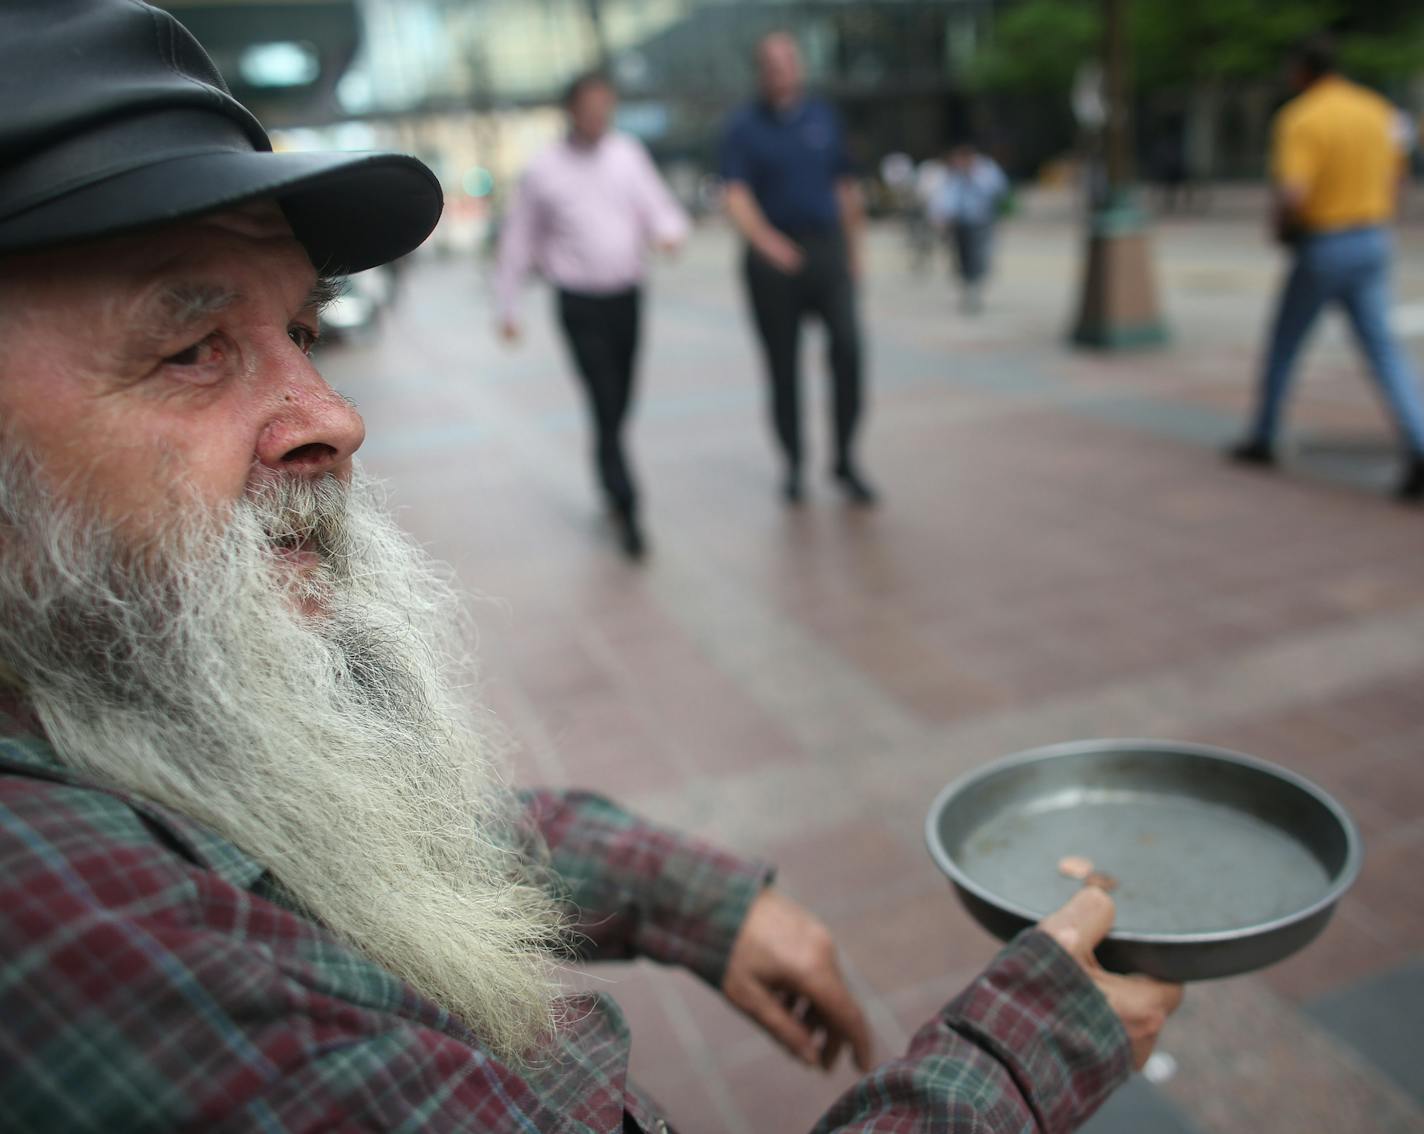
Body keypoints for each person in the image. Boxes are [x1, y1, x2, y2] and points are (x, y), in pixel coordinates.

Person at [0, 3, 1183, 1130]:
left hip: (644, 296)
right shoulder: (105, 950)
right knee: (612, 425)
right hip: (585, 311)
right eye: (192, 347)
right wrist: (1019, 1059)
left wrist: (686, 898)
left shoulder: (84, 678)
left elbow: (350, 844)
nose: (331, 418)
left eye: (302, 332)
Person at [495, 72, 689, 559]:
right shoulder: (543, 170)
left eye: (607, 105)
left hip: (627, 297)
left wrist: (669, 232)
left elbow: (659, 208)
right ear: (572, 110)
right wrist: (508, 304)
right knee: (605, 400)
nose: (601, 114)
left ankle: (608, 470)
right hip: (579, 304)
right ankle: (628, 503)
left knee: (620, 402)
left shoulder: (628, 155)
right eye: (591, 105)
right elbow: (519, 239)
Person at [1230, 37, 1424, 500]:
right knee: (1383, 350)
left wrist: (1280, 228)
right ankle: (1418, 442)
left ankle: (1263, 435)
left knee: (1285, 344)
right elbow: (1398, 176)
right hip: (1373, 236)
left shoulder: (1302, 117)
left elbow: (1294, 191)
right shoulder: (1377, 110)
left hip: (1325, 243)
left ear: (1301, 70)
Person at [721, 32, 877, 506]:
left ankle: (845, 458)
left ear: (800, 67)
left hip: (825, 249)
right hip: (771, 261)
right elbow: (735, 195)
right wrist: (768, 243)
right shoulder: (742, 127)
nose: (780, 69)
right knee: (783, 370)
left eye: (787, 60)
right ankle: (793, 462)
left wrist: (855, 253)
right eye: (770, 62)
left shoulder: (823, 117)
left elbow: (845, 187)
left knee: (849, 350)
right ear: (759, 71)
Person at [929, 140, 1010, 314]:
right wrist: (941, 216)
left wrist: (973, 176)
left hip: (981, 220)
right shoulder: (952, 174)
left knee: (979, 256)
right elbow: (945, 197)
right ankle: (967, 287)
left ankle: (975, 288)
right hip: (959, 223)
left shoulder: (986, 170)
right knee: (961, 258)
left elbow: (998, 190)